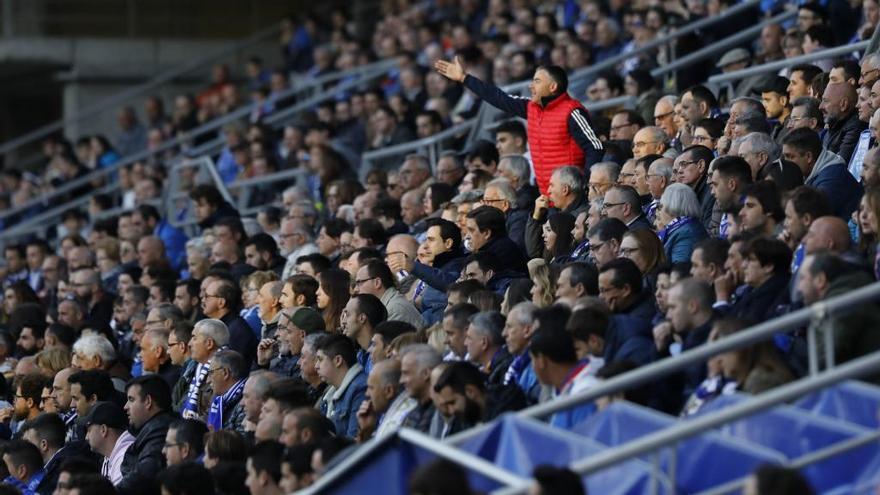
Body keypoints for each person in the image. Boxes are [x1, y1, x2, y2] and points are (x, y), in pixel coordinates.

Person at [434, 58, 603, 195]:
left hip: (572, 195)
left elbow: (594, 146)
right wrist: (465, 79)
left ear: (552, 87)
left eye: (536, 81)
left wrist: (584, 184)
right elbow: (499, 97)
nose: (531, 86)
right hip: (547, 195)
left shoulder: (572, 111)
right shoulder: (531, 108)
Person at [118, 375, 174, 493]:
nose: (125, 407)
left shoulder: (161, 432)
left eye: (131, 400)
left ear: (148, 401)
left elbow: (142, 477)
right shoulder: (153, 429)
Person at [315, 334, 368, 438]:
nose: (316, 366)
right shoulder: (330, 391)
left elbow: (352, 442)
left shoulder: (361, 389)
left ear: (338, 361)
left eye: (320, 359)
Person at [354, 260, 423, 329]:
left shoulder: (393, 310)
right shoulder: (387, 306)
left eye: (359, 282)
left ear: (377, 283)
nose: (355, 289)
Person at [83, 401, 135, 485]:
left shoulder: (125, 457)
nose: (86, 437)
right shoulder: (110, 456)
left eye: (89, 430)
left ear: (103, 430)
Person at [656, 183, 708, 263]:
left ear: (671, 207)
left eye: (660, 206)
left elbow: (679, 269)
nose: (659, 212)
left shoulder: (686, 233)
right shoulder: (683, 228)